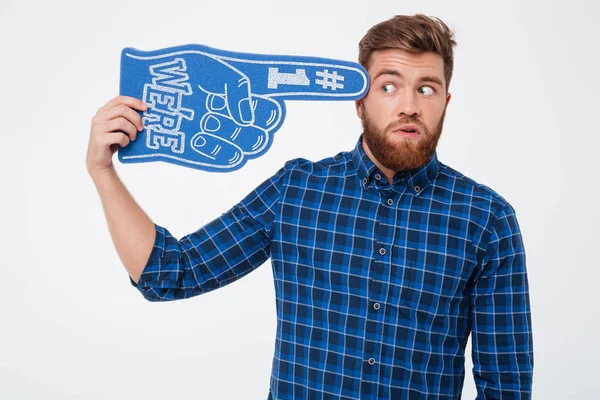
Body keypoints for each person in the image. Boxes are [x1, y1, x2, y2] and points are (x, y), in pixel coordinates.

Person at [87, 14, 533, 399]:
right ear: (360, 100)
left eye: (427, 89)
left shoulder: (487, 220)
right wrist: (103, 172)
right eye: (390, 86)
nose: (409, 106)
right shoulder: (296, 191)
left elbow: (505, 387)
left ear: (446, 103)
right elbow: (169, 273)